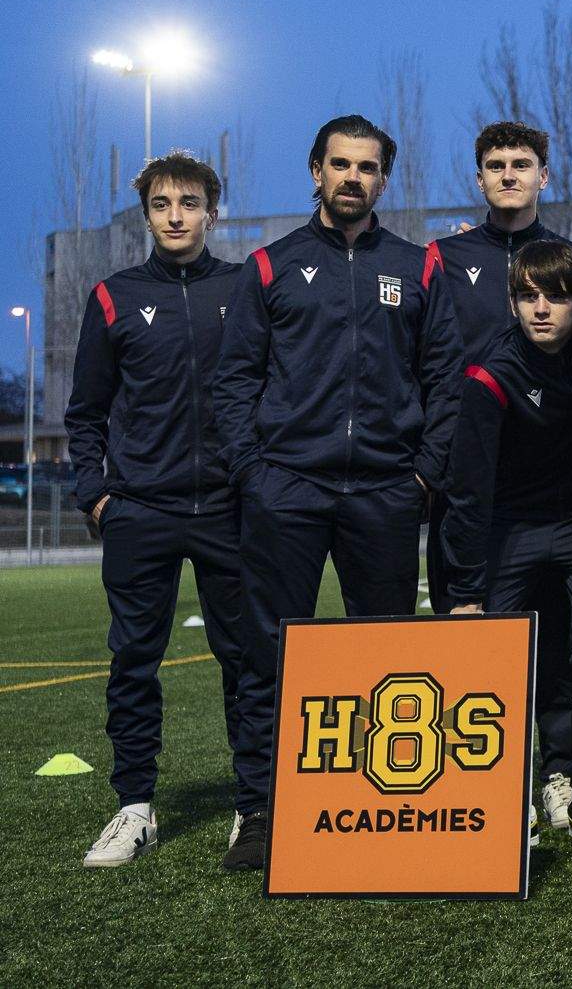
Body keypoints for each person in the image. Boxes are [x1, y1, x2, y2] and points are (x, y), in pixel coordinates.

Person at [211, 114, 459, 872]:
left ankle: (373, 802)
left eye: (368, 167)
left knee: (381, 657)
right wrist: (255, 473)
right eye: (341, 164)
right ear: (315, 170)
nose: (354, 177)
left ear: (384, 178)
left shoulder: (419, 268)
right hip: (286, 488)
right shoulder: (270, 266)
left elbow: (446, 383)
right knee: (265, 652)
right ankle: (260, 806)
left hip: (385, 490)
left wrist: (421, 474)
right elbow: (233, 383)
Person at [64, 153, 253, 868]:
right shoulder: (113, 296)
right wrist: (97, 491)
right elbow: (85, 411)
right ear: (146, 213)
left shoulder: (243, 288)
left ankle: (254, 803)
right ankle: (134, 806)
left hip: (230, 508)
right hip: (140, 508)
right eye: (163, 203)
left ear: (213, 210)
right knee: (134, 659)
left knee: (246, 659)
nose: (177, 214)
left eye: (191, 201)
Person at [421, 120, 572, 834]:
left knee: (564, 647)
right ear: (479, 177)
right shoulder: (444, 255)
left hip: (565, 496)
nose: (508, 175)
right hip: (476, 485)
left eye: (521, 164)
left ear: (542, 176)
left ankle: (561, 774)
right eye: (494, 164)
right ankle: (486, 790)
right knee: (479, 648)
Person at [440, 239, 572, 849]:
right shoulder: (489, 375)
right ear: (512, 304)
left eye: (556, 297)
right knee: (493, 656)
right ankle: (501, 795)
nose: (542, 309)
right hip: (508, 529)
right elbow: (467, 489)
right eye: (528, 296)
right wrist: (464, 592)